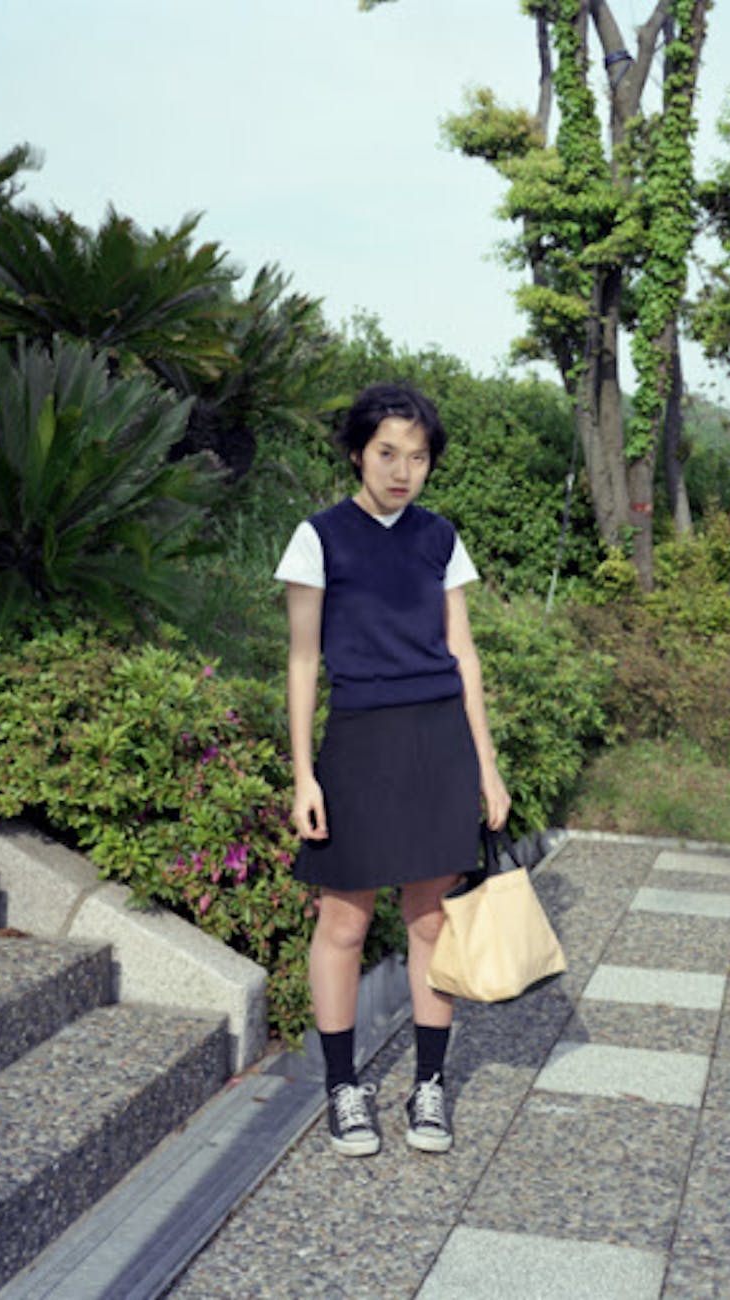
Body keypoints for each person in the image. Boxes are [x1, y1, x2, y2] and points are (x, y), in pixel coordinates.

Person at [274, 381, 510, 1158]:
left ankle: (428, 1086)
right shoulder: (318, 538)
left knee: (431, 920)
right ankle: (343, 1087)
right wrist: (304, 775)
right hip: (358, 742)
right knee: (343, 920)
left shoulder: (440, 537)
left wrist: (487, 766)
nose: (403, 470)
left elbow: (463, 654)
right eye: (387, 453)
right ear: (357, 453)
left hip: (438, 740)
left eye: (418, 456)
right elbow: (303, 661)